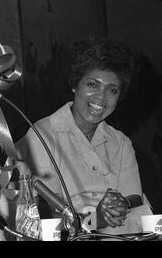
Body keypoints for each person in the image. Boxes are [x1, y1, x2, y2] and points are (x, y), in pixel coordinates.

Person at [14, 37, 152, 235]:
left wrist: (121, 203)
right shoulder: (41, 135)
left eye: (112, 90)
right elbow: (50, 213)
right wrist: (97, 219)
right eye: (92, 85)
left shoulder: (120, 142)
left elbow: (135, 197)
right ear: (74, 85)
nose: (101, 97)